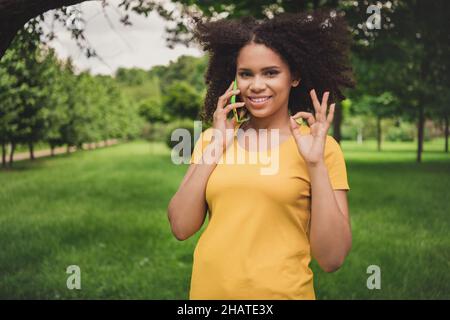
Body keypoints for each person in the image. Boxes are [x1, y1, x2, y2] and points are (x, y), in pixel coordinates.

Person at [167, 9, 355, 300]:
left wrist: (315, 164)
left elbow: (332, 259)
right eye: (246, 74)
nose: (256, 85)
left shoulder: (321, 150)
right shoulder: (212, 140)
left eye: (271, 72)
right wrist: (217, 145)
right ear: (235, 79)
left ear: (294, 76)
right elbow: (180, 226)